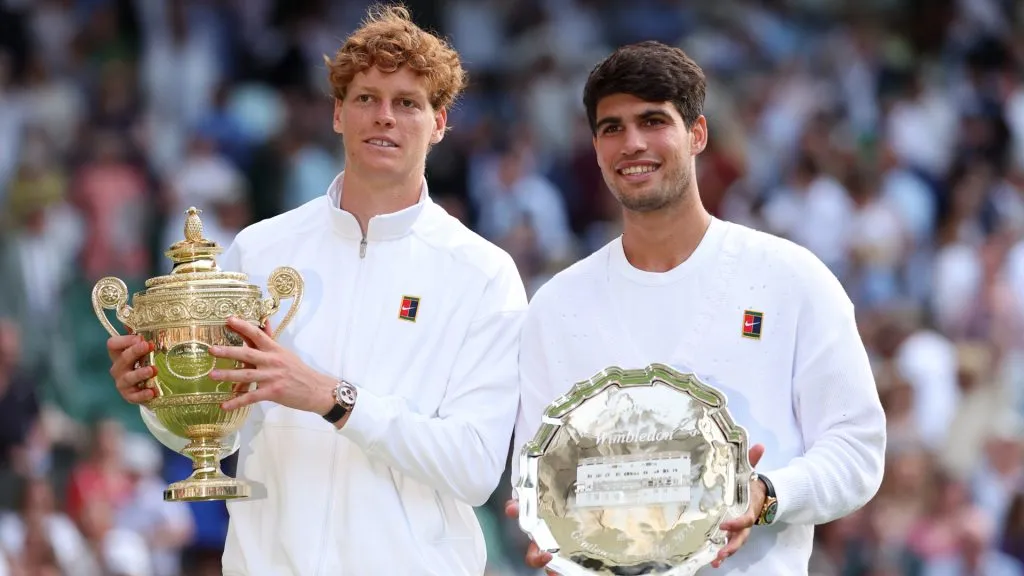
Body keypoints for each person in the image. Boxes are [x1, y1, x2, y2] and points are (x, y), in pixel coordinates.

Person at [106, 5, 528, 575]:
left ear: (440, 122)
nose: (384, 117)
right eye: (366, 98)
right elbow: (220, 435)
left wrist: (333, 399)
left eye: (407, 102)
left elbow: (475, 469)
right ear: (336, 113)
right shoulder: (258, 250)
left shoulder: (484, 273)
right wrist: (158, 396)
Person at [505, 41, 886, 574]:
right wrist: (550, 530)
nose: (632, 143)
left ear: (698, 134)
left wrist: (766, 494)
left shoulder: (792, 279)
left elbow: (857, 451)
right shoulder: (555, 306)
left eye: (653, 121)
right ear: (595, 148)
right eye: (612, 128)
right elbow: (546, 474)